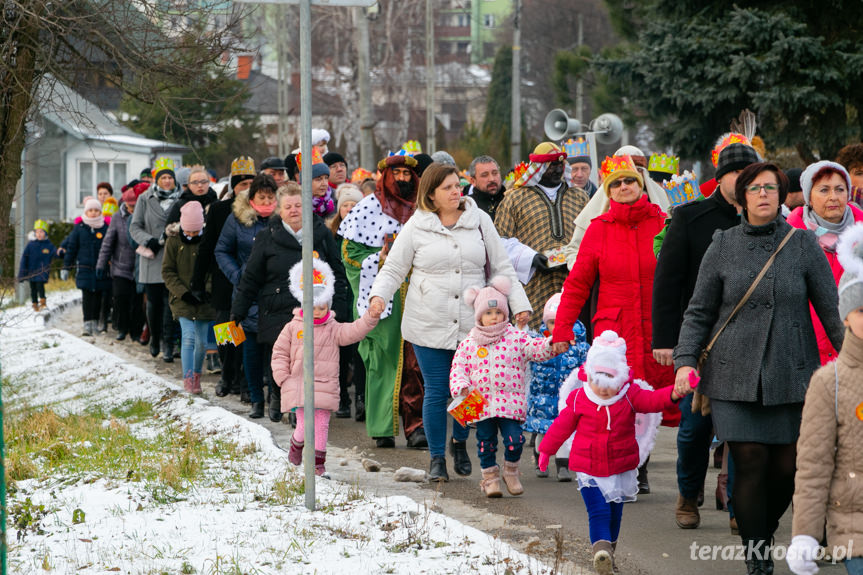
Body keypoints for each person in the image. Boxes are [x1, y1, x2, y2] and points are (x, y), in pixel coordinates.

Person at [673, 162, 845, 575]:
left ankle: (761, 532)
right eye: (756, 188)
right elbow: (699, 311)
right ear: (743, 197)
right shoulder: (722, 244)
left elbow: (831, 313)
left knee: (788, 468)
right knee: (748, 459)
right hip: (733, 373)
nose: (764, 194)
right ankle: (757, 558)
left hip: (793, 372)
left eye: (772, 188)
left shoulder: (803, 245)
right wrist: (684, 361)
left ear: (783, 196)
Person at [367, 163, 531, 480]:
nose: (456, 192)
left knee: (469, 390)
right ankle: (437, 458)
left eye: (458, 185)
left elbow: (502, 267)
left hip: (474, 326)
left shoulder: (479, 221)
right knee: (437, 390)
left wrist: (518, 304)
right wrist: (379, 298)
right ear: (431, 194)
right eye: (448, 188)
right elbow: (393, 269)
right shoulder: (417, 226)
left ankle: (459, 440)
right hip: (427, 321)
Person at [553, 155, 677, 494]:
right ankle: (629, 469)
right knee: (616, 397)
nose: (624, 187)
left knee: (648, 398)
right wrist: (562, 329)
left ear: (642, 186)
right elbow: (577, 283)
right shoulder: (599, 229)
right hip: (615, 332)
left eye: (630, 181)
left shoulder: (663, 223)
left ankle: (641, 462)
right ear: (608, 191)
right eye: (617, 183)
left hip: (655, 327)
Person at [651, 142, 758, 529]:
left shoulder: (766, 220)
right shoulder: (690, 217)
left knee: (744, 430)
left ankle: (738, 506)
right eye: (737, 176)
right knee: (695, 428)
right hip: (700, 344)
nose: (745, 184)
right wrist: (666, 340)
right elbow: (668, 282)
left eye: (752, 177)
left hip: (751, 341)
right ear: (721, 178)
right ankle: (687, 493)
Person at [538, 330, 692, 575]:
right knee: (598, 511)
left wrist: (676, 391)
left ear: (620, 379)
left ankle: (608, 557)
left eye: (609, 386)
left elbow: (653, 401)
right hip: (589, 469)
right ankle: (601, 552)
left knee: (614, 515)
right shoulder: (579, 398)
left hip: (620, 468)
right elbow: (561, 426)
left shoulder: (630, 395)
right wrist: (546, 450)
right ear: (589, 377)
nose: (603, 391)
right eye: (598, 384)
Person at [231, 182, 348, 422]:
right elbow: (251, 277)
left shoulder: (321, 233)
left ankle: (298, 408)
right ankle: (276, 394)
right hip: (276, 307)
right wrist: (238, 312)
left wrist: (340, 307)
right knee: (281, 358)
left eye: (299, 205)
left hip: (312, 309)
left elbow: (337, 272)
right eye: (288, 206)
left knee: (305, 360)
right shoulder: (267, 236)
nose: (294, 210)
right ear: (279, 210)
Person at [788, 223, 863, 575]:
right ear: (846, 316)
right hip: (854, 528)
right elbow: (814, 466)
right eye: (861, 309)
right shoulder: (828, 382)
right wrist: (804, 534)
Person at [339, 152, 427, 450]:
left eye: (407, 174)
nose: (402, 179)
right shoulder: (366, 209)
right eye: (397, 173)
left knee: (417, 364)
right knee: (382, 362)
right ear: (384, 176)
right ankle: (382, 428)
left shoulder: (424, 209)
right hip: (382, 300)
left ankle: (416, 427)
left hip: (420, 297)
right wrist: (379, 259)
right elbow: (350, 255)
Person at [272, 259, 381, 477]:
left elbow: (354, 331)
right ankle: (296, 447)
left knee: (321, 426)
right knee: (304, 426)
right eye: (313, 306)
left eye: (322, 307)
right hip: (300, 384)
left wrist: (369, 318)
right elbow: (279, 352)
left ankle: (317, 466)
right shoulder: (293, 327)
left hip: (325, 385)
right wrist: (282, 376)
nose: (318, 311)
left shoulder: (333, 328)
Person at [449, 276, 553, 496]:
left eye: (498, 313)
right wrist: (461, 386)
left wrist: (551, 343)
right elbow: (458, 367)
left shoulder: (515, 337)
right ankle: (490, 479)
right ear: (479, 316)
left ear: (505, 313)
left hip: (510, 402)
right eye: (488, 313)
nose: (494, 317)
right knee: (485, 443)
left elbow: (536, 348)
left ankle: (511, 472)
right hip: (482, 404)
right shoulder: (470, 342)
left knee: (515, 440)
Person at [494, 142, 590, 330]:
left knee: (574, 334)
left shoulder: (579, 197)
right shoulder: (515, 198)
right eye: (551, 165)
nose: (557, 170)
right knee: (535, 338)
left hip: (572, 280)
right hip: (534, 283)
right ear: (538, 168)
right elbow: (500, 241)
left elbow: (591, 235)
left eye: (560, 165)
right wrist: (531, 258)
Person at [192, 156, 257, 399]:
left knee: (246, 334)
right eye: (242, 184)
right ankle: (227, 374)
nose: (246, 188)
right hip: (223, 280)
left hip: (250, 282)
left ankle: (243, 379)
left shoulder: (260, 210)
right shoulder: (219, 209)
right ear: (233, 186)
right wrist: (197, 280)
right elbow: (207, 247)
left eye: (251, 182)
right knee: (225, 331)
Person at [787, 160, 863, 364]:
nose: (833, 197)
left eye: (840, 189)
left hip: (856, 353)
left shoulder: (860, 234)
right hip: (804, 355)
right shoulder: (788, 238)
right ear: (808, 197)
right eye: (824, 190)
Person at [215, 174, 277, 417]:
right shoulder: (237, 219)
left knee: (276, 352)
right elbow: (222, 250)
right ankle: (255, 398)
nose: (266, 201)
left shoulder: (280, 220)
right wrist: (237, 275)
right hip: (246, 292)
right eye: (261, 197)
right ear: (251, 199)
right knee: (249, 349)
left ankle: (275, 398)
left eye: (270, 197)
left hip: (275, 292)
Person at [562, 145, 671, 269]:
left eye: (636, 172)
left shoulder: (660, 211)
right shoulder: (597, 218)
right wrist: (590, 274)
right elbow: (574, 251)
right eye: (618, 181)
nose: (624, 186)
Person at [523, 293, 589, 481]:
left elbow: (587, 367)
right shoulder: (539, 342)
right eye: (552, 323)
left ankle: (562, 466)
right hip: (543, 396)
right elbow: (527, 354)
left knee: (564, 434)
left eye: (561, 322)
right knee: (543, 432)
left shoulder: (579, 346)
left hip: (568, 399)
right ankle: (540, 460)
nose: (556, 327)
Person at [161, 202, 216, 394]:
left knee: (201, 341)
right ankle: (187, 378)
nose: (192, 235)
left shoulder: (208, 241)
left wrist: (206, 290)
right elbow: (168, 271)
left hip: (204, 300)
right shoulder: (174, 242)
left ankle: (197, 376)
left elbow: (213, 269)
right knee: (188, 338)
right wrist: (183, 293)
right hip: (182, 299)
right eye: (189, 232)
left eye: (196, 231)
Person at [130, 157, 180, 361]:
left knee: (170, 304)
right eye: (163, 177)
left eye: (170, 177)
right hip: (152, 257)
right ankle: (155, 337)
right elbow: (135, 226)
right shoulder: (144, 198)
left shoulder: (180, 197)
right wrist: (149, 240)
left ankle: (168, 343)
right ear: (156, 179)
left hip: (173, 257)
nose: (167, 181)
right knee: (153, 303)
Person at [328, 182, 365, 419]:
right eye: (345, 206)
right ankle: (341, 397)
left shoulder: (367, 234)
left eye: (354, 205)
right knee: (340, 354)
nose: (349, 209)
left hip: (360, 299)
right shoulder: (332, 236)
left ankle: (361, 398)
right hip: (340, 299)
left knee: (360, 352)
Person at [97, 186, 145, 341]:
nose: (132, 208)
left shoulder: (143, 215)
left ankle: (135, 331)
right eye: (130, 205)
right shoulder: (118, 217)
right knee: (120, 298)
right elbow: (108, 242)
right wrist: (101, 264)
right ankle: (122, 328)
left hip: (139, 266)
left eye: (134, 205)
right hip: (120, 266)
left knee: (136, 302)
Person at [62, 198, 111, 336]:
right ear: (86, 212)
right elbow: (71, 248)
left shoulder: (105, 228)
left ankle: (95, 323)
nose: (93, 213)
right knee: (87, 297)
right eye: (90, 210)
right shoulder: (79, 228)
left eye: (96, 210)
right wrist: (66, 267)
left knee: (98, 298)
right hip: (84, 269)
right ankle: (87, 323)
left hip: (101, 270)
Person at [18, 219, 56, 311]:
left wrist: (62, 253)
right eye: (37, 232)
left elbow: (55, 253)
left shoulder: (48, 245)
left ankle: (43, 303)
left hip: (42, 271)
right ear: (34, 233)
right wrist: (22, 273)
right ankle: (34, 304)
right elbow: (24, 259)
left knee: (40, 286)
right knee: (33, 288)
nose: (39, 234)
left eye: (41, 232)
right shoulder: (30, 245)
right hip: (32, 271)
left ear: (45, 233)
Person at [464, 155, 504, 220]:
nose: (492, 179)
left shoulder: (512, 200)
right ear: (473, 181)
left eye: (495, 173)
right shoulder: (467, 206)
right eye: (484, 175)